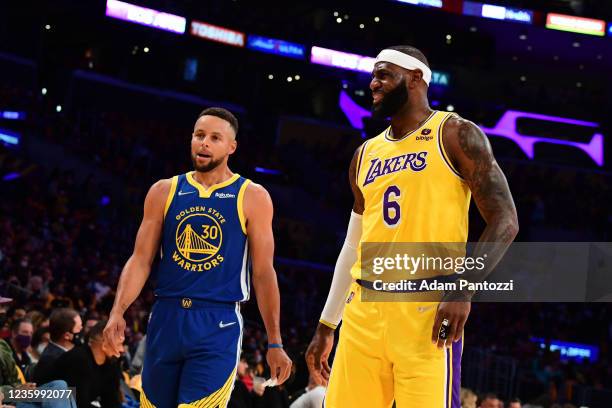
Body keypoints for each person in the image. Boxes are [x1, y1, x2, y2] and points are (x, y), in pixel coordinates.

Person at [306, 45, 519, 407]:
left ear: (416, 78)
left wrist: (462, 288)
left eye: (384, 74)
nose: (373, 84)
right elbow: (352, 244)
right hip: (363, 310)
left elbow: (506, 220)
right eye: (373, 76)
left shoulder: (454, 133)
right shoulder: (365, 154)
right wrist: (328, 323)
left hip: (426, 309)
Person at [103, 107, 292, 407]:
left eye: (215, 138)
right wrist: (117, 311)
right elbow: (140, 259)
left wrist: (275, 341)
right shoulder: (164, 191)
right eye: (199, 135)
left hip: (217, 323)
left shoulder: (252, 196)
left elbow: (264, 273)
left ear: (232, 147)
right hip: (166, 316)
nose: (204, 143)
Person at [52, 321, 121, 408]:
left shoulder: (110, 364)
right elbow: (79, 403)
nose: (121, 349)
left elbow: (111, 402)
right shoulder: (79, 359)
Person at [33, 309, 82, 384]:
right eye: (79, 327)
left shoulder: (76, 351)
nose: (82, 328)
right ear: (67, 335)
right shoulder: (51, 360)